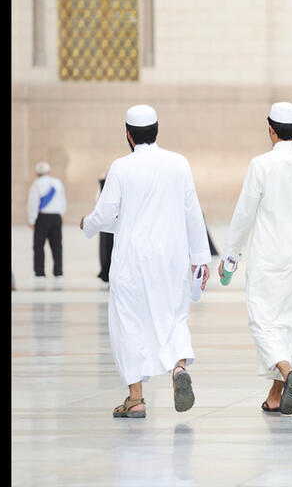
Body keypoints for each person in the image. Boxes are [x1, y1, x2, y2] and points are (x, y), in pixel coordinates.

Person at [81, 104, 211, 418]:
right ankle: (178, 369)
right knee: (174, 316)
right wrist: (200, 259)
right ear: (156, 130)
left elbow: (108, 212)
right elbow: (192, 213)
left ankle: (136, 399)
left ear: (128, 134)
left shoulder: (121, 167)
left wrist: (88, 223)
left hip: (131, 260)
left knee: (128, 322)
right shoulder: (178, 163)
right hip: (171, 259)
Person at [218, 102, 292, 416]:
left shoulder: (260, 164)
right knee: (290, 322)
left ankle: (286, 369)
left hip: (269, 253)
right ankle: (276, 394)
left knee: (262, 319)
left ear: (271, 129)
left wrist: (231, 255)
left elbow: (244, 212)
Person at [27, 161, 67, 285]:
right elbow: (63, 201)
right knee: (57, 246)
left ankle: (39, 273)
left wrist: (32, 220)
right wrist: (60, 215)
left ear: (36, 173)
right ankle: (58, 273)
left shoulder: (36, 184)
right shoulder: (57, 183)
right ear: (49, 172)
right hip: (56, 217)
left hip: (42, 218)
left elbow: (33, 203)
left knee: (39, 246)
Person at [96, 174, 114, 284]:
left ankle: (105, 272)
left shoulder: (104, 185)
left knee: (106, 248)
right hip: (111, 222)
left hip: (106, 222)